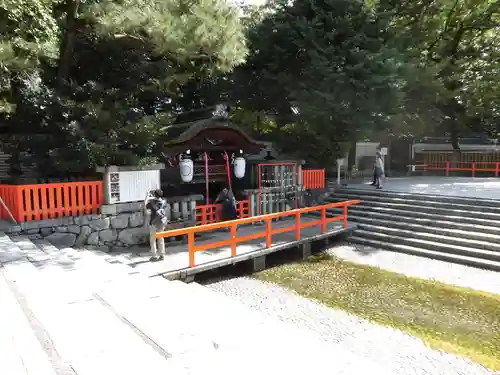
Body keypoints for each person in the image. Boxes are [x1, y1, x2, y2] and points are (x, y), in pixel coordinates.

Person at [144, 189, 168, 261]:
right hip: (161, 223)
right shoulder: (164, 202)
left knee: (153, 240)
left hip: (154, 223)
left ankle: (154, 256)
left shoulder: (151, 203)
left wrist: (146, 197)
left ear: (155, 195)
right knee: (161, 239)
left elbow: (146, 207)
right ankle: (162, 255)